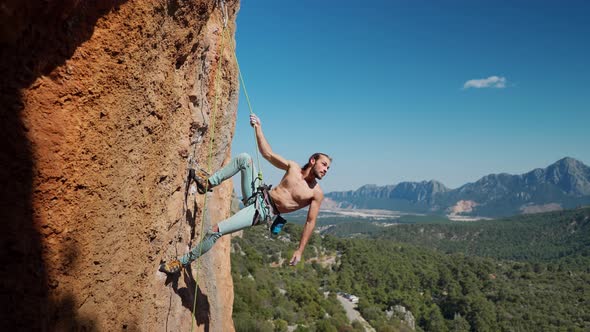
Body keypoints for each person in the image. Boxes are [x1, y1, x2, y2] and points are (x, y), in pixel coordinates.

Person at [159, 113, 331, 274]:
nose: (326, 170)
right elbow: (268, 154)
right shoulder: (293, 168)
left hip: (262, 212)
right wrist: (258, 128)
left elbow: (310, 222)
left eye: (328, 168)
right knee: (244, 158)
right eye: (324, 164)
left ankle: (181, 263)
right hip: (258, 194)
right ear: (312, 160)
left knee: (215, 231)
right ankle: (208, 183)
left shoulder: (316, 193)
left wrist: (300, 251)